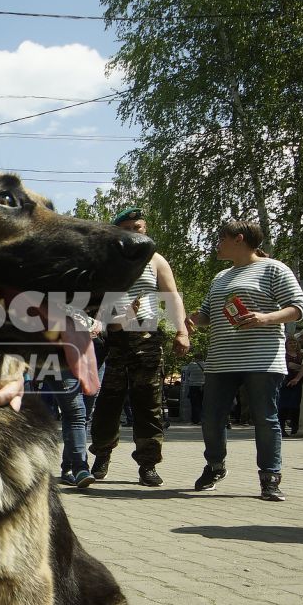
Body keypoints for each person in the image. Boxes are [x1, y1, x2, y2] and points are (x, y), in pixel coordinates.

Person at [194, 220, 303, 502]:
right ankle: (215, 465)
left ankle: (270, 478)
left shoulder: (274, 269)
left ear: (239, 239)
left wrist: (265, 318)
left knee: (265, 419)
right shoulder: (220, 277)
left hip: (262, 359)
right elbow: (206, 316)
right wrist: (185, 320)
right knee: (211, 419)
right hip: (221, 359)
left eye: (221, 238)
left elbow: (300, 307)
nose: (217, 244)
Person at [87, 206, 190, 486]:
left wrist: (181, 331)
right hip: (113, 339)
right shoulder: (107, 261)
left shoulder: (155, 260)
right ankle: (102, 455)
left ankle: (148, 464)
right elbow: (94, 304)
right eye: (128, 228)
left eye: (139, 228)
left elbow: (173, 297)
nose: (135, 232)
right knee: (108, 402)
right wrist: (113, 318)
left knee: (148, 403)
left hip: (146, 336)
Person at [278, 337, 303, 437]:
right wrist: (300, 367)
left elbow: (299, 366)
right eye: (290, 343)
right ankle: (281, 428)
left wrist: (297, 367)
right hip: (285, 383)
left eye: (295, 343)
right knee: (283, 406)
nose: (293, 345)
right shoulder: (283, 355)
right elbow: (289, 365)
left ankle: (295, 428)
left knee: (296, 407)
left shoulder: (301, 355)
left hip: (298, 383)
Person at [181, 356, 205, 424]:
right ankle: (202, 420)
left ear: (196, 358)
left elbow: (187, 374)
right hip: (203, 386)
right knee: (202, 404)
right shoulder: (206, 364)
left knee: (194, 404)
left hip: (193, 386)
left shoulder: (191, 364)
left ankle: (195, 420)